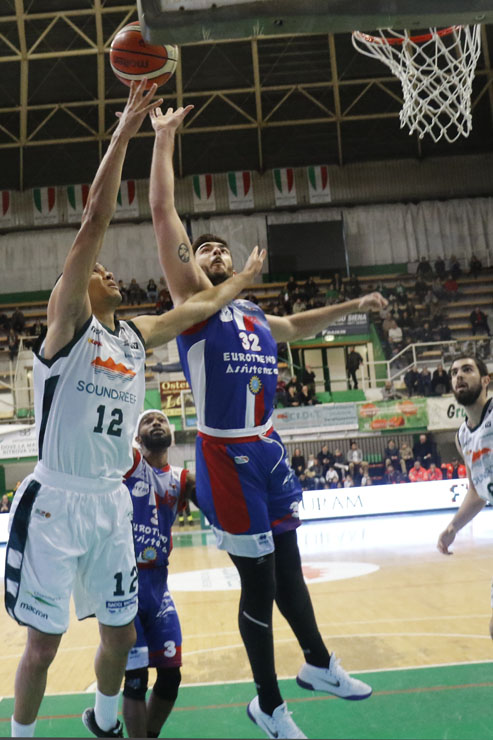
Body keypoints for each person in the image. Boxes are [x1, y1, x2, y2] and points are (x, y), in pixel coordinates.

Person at [4, 82, 265, 740]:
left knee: (120, 634)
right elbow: (95, 218)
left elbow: (199, 306)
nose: (110, 273)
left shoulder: (133, 336)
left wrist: (240, 280)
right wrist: (125, 129)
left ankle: (103, 721)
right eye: (99, 273)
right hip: (56, 501)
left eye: (110, 273)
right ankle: (22, 734)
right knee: (43, 646)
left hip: (108, 501)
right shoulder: (67, 326)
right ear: (73, 287)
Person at [148, 103, 387, 739]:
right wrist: (164, 141)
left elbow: (298, 325)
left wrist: (354, 303)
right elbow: (164, 213)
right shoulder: (195, 303)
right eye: (205, 249)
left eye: (222, 249)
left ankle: (318, 663)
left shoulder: (253, 315)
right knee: (257, 585)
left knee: (288, 568)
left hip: (269, 449)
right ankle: (268, 705)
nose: (214, 252)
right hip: (225, 454)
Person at [122, 409, 194, 738]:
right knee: (136, 679)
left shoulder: (182, 479)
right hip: (125, 584)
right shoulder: (129, 465)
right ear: (137, 438)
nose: (156, 423)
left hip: (159, 587)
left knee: (171, 677)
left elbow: (216, 495)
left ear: (172, 435)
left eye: (162, 420)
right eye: (148, 421)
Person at [437, 356, 493, 638]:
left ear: (486, 380)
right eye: (454, 372)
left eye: (467, 370)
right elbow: (477, 491)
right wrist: (453, 527)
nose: (459, 376)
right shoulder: (462, 436)